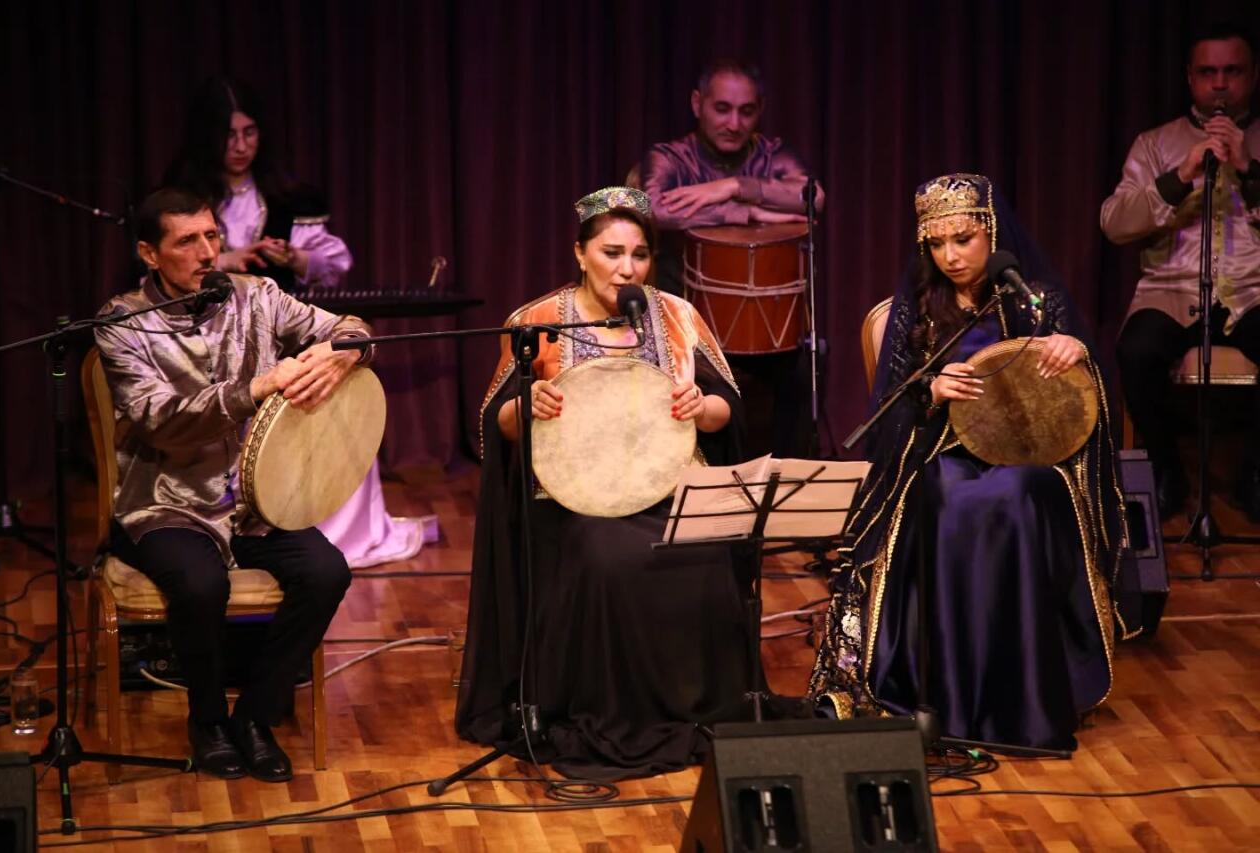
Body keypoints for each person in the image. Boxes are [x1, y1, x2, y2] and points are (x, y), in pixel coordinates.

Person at [808, 174, 1126, 752]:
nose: (950, 256)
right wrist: (930, 390)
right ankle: (951, 693)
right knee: (947, 494)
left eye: (964, 239)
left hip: (1033, 461)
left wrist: (1078, 351)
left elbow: (1089, 395)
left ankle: (1020, 697)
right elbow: (890, 408)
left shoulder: (1035, 300)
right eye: (937, 244)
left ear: (992, 233)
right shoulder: (919, 310)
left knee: (1017, 495)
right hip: (942, 451)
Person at [455, 187, 752, 780]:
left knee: (708, 552)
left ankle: (690, 706)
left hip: (668, 482)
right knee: (609, 558)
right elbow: (498, 424)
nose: (627, 269)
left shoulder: (677, 316)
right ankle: (613, 708)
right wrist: (529, 405)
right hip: (575, 495)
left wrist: (701, 408)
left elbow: (728, 410)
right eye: (611, 253)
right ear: (580, 253)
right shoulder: (538, 321)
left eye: (640, 255)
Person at [94, 187, 369, 781]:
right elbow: (158, 419)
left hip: (254, 500)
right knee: (200, 585)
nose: (206, 252)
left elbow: (350, 327)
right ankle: (208, 721)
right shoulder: (122, 323)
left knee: (327, 572)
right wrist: (256, 388)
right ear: (149, 253)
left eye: (212, 236)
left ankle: (256, 717)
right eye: (186, 241)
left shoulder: (256, 295)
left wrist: (346, 354)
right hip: (167, 503)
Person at [165, 75, 431, 566]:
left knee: (326, 385)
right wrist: (228, 259)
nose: (240, 146)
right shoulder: (185, 196)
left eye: (249, 133)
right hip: (209, 340)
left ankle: (329, 534)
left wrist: (294, 258)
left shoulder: (287, 196)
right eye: (229, 135)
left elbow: (334, 263)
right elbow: (161, 267)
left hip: (282, 331)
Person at [1102, 21, 1260, 520]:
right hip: (1171, 292)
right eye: (1208, 72)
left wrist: (1249, 168)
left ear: (1253, 76)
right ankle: (1166, 470)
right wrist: (1180, 177)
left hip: (1253, 292)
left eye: (1232, 71)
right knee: (1136, 352)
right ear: (1190, 78)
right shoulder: (1155, 144)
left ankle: (1254, 474)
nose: (1220, 84)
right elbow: (1114, 223)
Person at [640, 59, 825, 456]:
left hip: (767, 323)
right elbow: (653, 208)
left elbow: (813, 197)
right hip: (686, 317)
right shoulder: (669, 157)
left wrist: (734, 186)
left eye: (747, 111)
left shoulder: (773, 154)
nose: (734, 123)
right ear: (697, 104)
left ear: (760, 111)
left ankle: (789, 476)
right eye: (722, 109)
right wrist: (749, 212)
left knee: (807, 362)